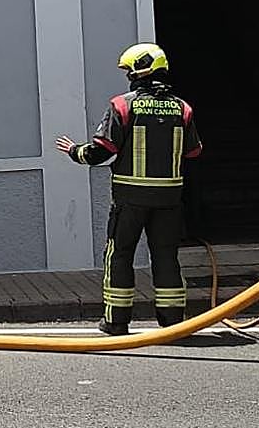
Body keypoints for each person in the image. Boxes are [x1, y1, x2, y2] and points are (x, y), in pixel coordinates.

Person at [56, 43, 202, 336]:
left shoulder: (123, 105)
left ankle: (116, 321)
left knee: (119, 254)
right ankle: (172, 322)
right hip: (169, 199)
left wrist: (74, 151)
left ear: (140, 70)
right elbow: (194, 151)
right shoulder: (182, 108)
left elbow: (101, 151)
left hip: (130, 199)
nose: (128, 76)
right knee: (166, 256)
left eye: (129, 71)